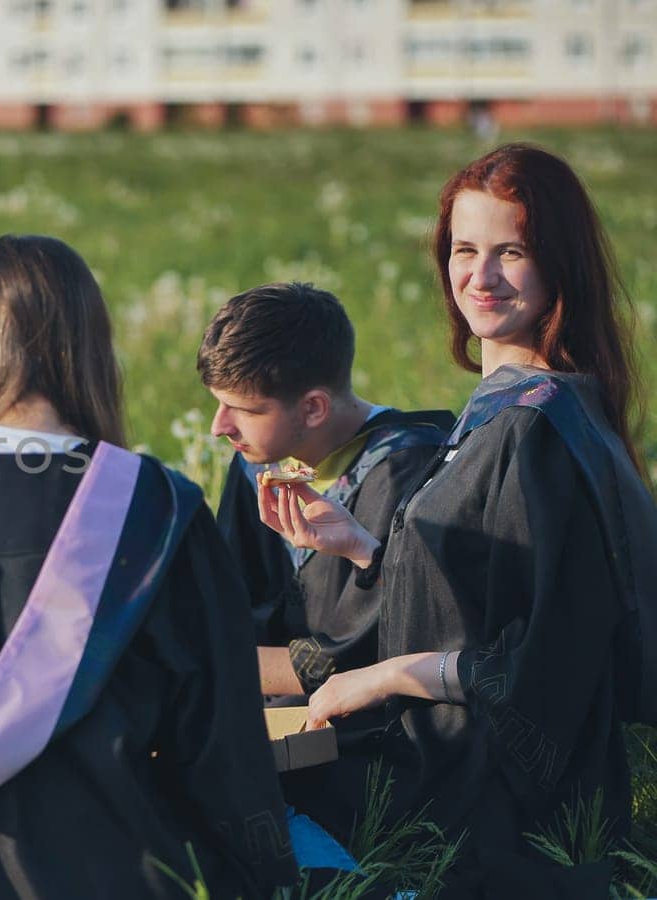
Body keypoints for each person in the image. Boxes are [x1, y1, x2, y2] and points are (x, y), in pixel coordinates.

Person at [0, 235, 299, 898]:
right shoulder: (150, 507)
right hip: (108, 871)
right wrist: (259, 873)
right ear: (88, 350)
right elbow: (219, 748)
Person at [260, 143, 657, 895]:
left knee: (219, 781)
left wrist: (379, 677)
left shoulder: (538, 428)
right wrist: (369, 549)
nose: (480, 276)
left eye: (512, 251)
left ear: (560, 263)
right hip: (444, 745)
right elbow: (487, 591)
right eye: (465, 249)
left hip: (490, 787)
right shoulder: (505, 402)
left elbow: (542, 663)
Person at [198, 282, 453, 699]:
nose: (219, 427)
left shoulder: (408, 469)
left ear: (314, 407)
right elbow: (231, 603)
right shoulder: (260, 457)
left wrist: (204, 660)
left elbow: (363, 653)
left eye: (244, 409)